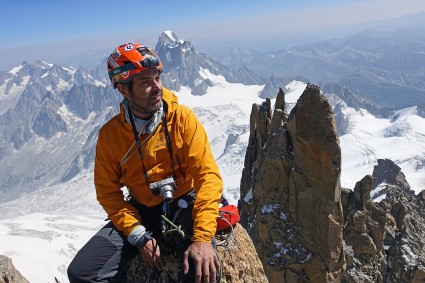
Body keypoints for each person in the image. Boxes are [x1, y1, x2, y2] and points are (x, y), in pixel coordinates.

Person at [67, 42, 223, 283]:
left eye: (157, 78)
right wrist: (137, 234)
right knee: (82, 273)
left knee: (202, 269)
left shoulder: (181, 119)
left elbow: (207, 176)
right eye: (145, 82)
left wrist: (202, 237)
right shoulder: (111, 136)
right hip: (141, 211)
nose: (156, 87)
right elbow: (108, 193)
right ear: (124, 90)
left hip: (184, 205)